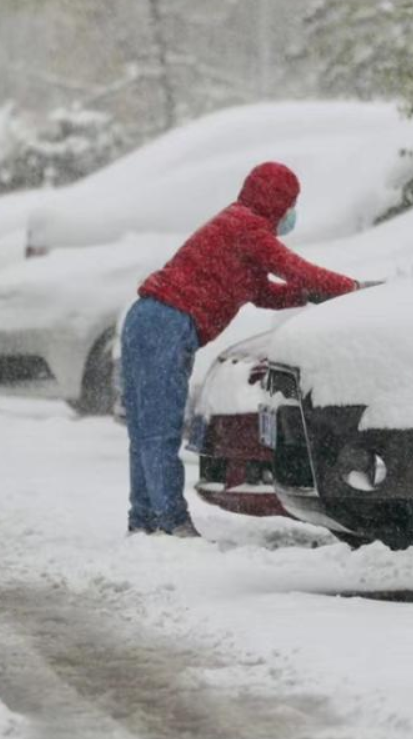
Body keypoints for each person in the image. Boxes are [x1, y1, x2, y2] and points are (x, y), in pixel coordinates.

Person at [122, 161, 359, 538]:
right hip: (164, 322)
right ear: (277, 201)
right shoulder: (245, 227)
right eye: (291, 204)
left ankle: (144, 521)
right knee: (157, 431)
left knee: (147, 430)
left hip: (151, 319)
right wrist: (352, 288)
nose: (291, 213)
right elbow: (295, 269)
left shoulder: (239, 228)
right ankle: (170, 522)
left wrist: (309, 295)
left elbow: (264, 293)